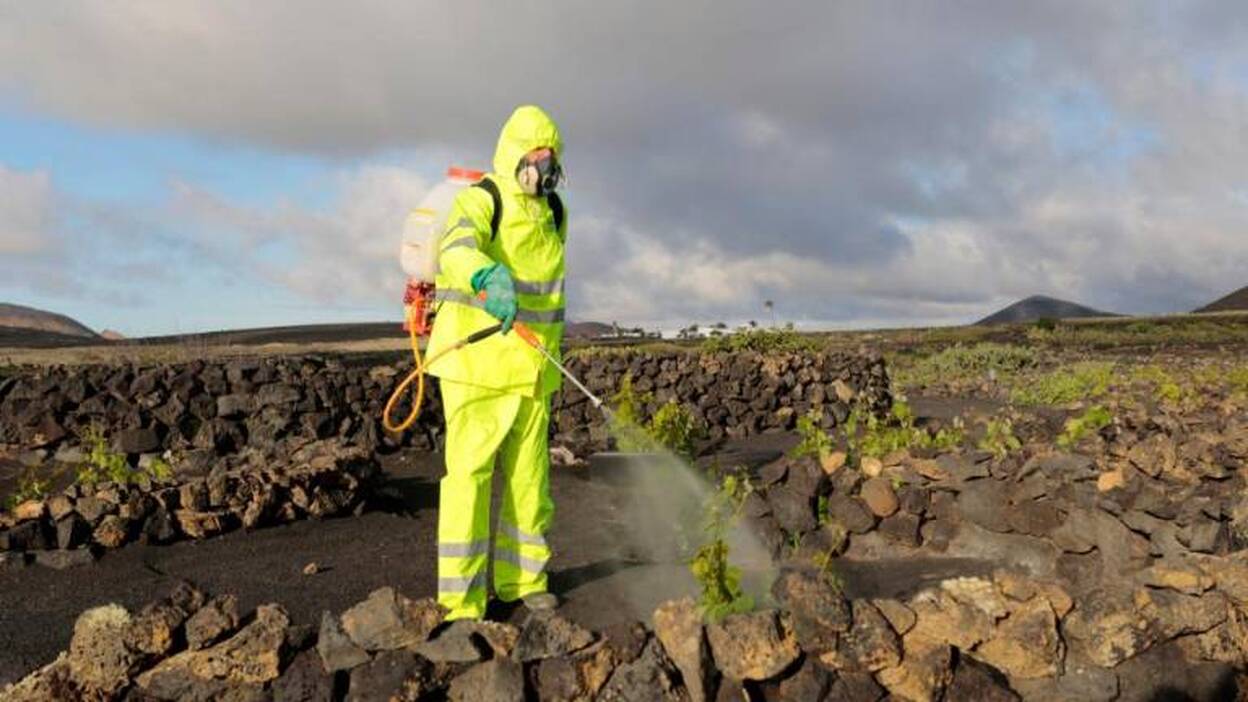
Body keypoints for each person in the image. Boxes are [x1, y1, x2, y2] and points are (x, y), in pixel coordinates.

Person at [424, 105, 567, 621]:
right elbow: (455, 249)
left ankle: (523, 582)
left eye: (550, 159)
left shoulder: (554, 212)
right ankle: (461, 605)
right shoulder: (481, 199)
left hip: (533, 368)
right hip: (478, 364)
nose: (543, 169)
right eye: (535, 157)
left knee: (530, 483)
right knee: (470, 481)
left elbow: (548, 294)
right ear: (514, 155)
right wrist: (487, 275)